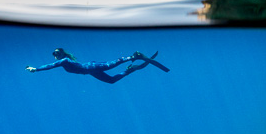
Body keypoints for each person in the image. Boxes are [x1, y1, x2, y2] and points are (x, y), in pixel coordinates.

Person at [25, 48, 169, 84]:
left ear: (62, 54)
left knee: (110, 65)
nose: (55, 55)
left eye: (56, 53)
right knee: (112, 80)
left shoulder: (63, 61)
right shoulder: (66, 61)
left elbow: (51, 66)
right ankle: (130, 69)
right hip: (91, 71)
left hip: (91, 67)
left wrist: (36, 69)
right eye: (54, 54)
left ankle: (133, 56)